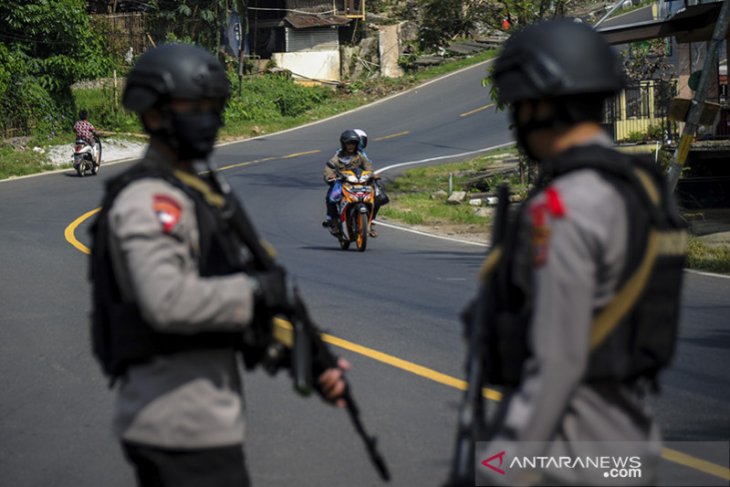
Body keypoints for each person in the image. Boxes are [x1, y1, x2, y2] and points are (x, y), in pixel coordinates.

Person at [88, 43, 349, 487]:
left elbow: (220, 301)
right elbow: (168, 302)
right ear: (153, 114)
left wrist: (300, 355)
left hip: (200, 420)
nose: (206, 117)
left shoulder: (199, 190)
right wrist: (255, 291)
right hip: (178, 426)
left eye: (214, 106)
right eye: (194, 106)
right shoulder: (150, 200)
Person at [468, 20, 687, 486]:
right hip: (627, 441)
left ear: (536, 106)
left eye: (517, 106)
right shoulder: (643, 188)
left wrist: (501, 471)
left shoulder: (562, 207)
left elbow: (557, 361)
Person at [322, 129, 380, 237]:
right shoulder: (338, 157)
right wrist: (330, 176)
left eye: (353, 143)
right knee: (331, 197)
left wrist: (372, 175)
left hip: (360, 183)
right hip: (344, 184)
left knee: (379, 196)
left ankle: (371, 222)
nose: (351, 146)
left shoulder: (360, 156)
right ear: (343, 144)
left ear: (357, 144)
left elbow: (368, 167)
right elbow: (329, 168)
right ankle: (333, 221)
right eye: (348, 143)